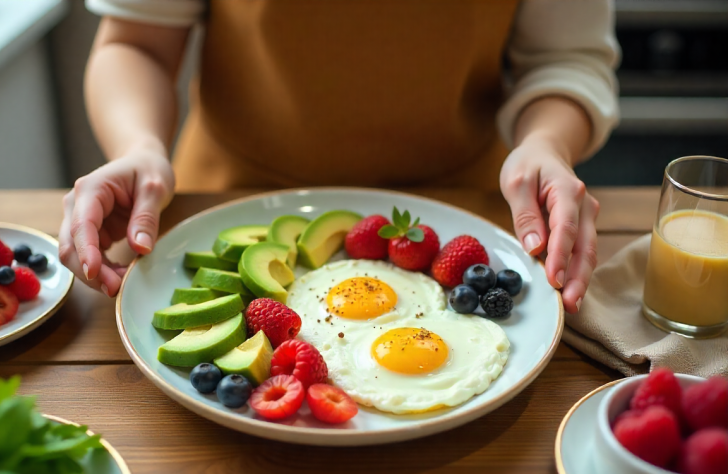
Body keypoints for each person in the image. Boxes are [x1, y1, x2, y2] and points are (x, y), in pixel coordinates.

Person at [59, 0, 619, 315]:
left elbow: (565, 60)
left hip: (459, 209)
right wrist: (139, 146)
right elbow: (135, 43)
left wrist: (546, 142)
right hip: (228, 199)